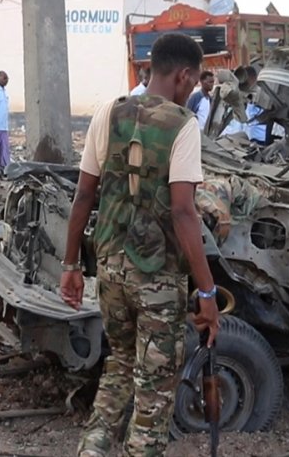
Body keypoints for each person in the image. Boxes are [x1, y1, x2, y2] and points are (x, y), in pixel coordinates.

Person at [60, 33, 221, 457]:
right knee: (153, 395)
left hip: (110, 269)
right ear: (184, 76)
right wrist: (207, 292)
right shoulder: (183, 125)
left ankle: (91, 451)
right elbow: (184, 212)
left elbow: (83, 197)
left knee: (117, 369)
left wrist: (70, 265)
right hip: (158, 281)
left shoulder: (108, 113)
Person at [243, 66, 267, 144]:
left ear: (252, 78)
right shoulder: (248, 92)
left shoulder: (262, 93)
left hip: (261, 137)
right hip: (250, 137)